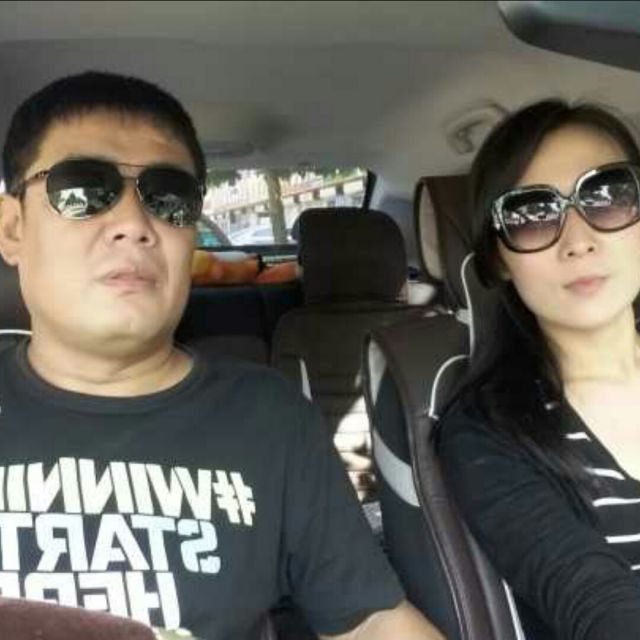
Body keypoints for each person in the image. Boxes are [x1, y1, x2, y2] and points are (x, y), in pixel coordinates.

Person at [0, 71, 444, 640]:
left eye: (169, 198)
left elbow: (371, 621)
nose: (134, 225)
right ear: (12, 228)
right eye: (82, 190)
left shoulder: (268, 416)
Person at [437, 99, 640, 640]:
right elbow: (595, 600)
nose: (578, 241)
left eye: (607, 196)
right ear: (499, 259)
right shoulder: (484, 433)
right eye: (531, 216)